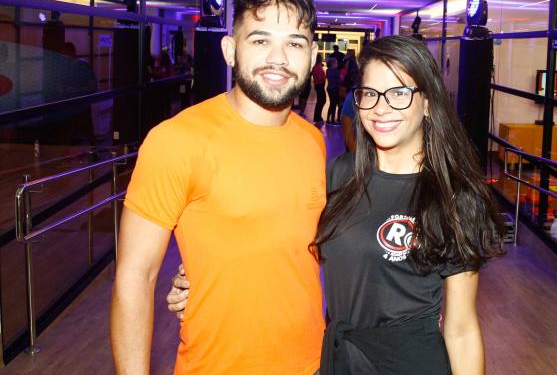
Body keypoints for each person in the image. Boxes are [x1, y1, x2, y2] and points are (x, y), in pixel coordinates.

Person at [167, 35, 505, 374]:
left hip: (409, 363)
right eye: (370, 94)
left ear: (428, 102)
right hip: (338, 358)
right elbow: (274, 235)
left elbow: (461, 329)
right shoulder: (340, 175)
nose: (381, 108)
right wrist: (201, 273)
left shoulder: (454, 196)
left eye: (399, 93)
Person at [110, 0, 326, 375]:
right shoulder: (177, 141)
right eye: (260, 40)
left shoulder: (313, 141)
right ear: (230, 50)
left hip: (313, 362)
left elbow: (289, 247)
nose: (278, 58)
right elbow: (135, 276)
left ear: (312, 56)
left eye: (294, 44)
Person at [312, 53, 327, 124]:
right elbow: (319, 77)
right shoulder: (317, 67)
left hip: (319, 85)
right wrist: (322, 80)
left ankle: (318, 117)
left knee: (321, 101)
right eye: (321, 58)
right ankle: (317, 117)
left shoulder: (317, 67)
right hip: (319, 85)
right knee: (321, 101)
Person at [326, 57, 341, 124]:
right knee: (334, 104)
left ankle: (328, 119)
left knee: (331, 104)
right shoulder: (335, 71)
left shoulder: (328, 70)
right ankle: (332, 120)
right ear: (333, 63)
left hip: (329, 88)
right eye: (336, 63)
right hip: (334, 89)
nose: (337, 64)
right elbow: (338, 80)